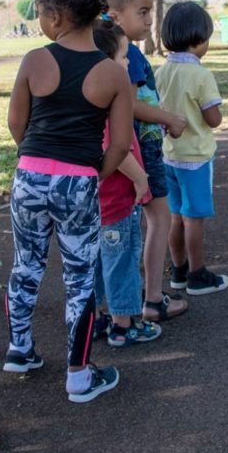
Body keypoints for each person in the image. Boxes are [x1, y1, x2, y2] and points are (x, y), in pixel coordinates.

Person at [3, 0, 134, 403]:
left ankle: (20, 348)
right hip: (79, 182)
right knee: (79, 279)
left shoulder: (34, 60)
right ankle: (78, 375)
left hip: (29, 178)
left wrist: (38, 160)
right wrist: (93, 172)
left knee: (27, 264)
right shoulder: (114, 73)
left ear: (55, 16)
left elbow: (16, 123)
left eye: (39, 10)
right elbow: (118, 145)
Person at [105, 0, 191, 321]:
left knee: (139, 224)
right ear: (114, 16)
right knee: (159, 218)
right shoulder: (125, 57)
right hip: (140, 152)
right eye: (142, 12)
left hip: (137, 152)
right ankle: (152, 299)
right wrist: (168, 117)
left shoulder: (126, 54)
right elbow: (131, 104)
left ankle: (131, 301)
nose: (149, 20)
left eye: (150, 12)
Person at [90, 23, 163, 346]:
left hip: (97, 204)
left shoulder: (90, 104)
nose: (129, 63)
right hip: (116, 203)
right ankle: (123, 324)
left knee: (94, 263)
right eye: (122, 57)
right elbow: (115, 151)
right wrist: (140, 177)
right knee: (121, 262)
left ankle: (91, 319)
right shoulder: (108, 111)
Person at [155, 2, 228, 295]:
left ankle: (179, 271)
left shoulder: (161, 72)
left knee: (176, 216)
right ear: (198, 40)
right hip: (196, 158)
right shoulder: (201, 75)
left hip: (169, 156)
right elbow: (213, 119)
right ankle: (198, 275)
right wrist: (215, 114)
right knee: (194, 218)